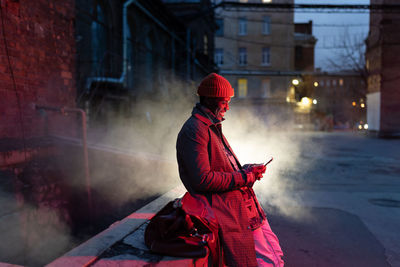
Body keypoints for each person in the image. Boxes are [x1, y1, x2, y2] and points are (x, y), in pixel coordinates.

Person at [176, 73, 284, 266]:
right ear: (210, 99)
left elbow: (222, 169)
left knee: (273, 255)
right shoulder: (196, 130)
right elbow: (202, 179)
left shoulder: (210, 125)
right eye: (224, 102)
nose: (228, 107)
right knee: (271, 261)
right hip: (229, 212)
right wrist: (244, 176)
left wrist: (247, 170)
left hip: (243, 210)